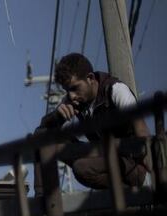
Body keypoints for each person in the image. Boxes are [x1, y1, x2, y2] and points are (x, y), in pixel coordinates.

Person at [38, 52, 152, 189]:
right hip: (102, 157)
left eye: (75, 88)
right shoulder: (72, 100)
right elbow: (42, 131)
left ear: (90, 78)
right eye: (67, 91)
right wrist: (58, 116)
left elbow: (142, 131)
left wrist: (153, 172)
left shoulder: (115, 90)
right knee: (46, 136)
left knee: (82, 168)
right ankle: (43, 196)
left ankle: (133, 191)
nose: (72, 96)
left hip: (130, 163)